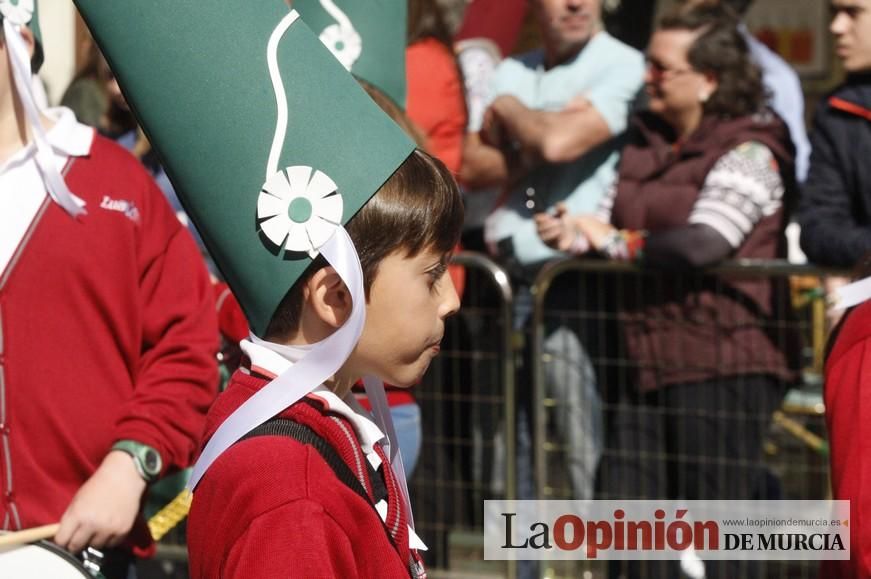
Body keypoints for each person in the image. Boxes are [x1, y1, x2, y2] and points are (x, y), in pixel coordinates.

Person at [74, 1, 461, 576]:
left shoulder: (319, 432)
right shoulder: (292, 497)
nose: (452, 298)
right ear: (335, 297)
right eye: (432, 275)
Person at [535, 3, 799, 577]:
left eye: (661, 68)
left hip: (725, 365)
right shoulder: (644, 140)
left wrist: (615, 242)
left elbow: (705, 243)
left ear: (709, 79)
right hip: (644, 363)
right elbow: (608, 219)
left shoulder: (756, 146)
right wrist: (575, 232)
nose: (646, 77)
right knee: (630, 536)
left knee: (722, 538)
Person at [0, 3, 218, 576]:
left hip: (81, 552)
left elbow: (186, 347)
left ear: (18, 40)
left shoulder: (118, 184)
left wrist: (131, 462)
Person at [461, 0, 644, 504]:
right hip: (506, 273)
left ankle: (599, 563)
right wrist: (538, 135)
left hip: (575, 276)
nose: (575, 3)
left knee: (582, 432)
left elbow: (560, 143)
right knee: (503, 435)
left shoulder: (622, 62)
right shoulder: (513, 68)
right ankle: (521, 565)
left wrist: (512, 112)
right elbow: (471, 164)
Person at [797, 0, 871, 269]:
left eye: (853, 13)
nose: (836, 27)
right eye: (834, 12)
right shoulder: (839, 112)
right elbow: (818, 229)